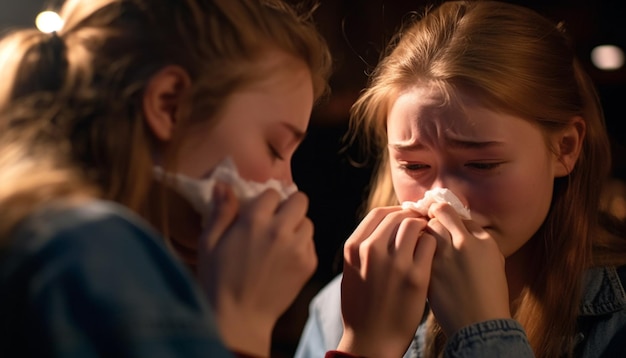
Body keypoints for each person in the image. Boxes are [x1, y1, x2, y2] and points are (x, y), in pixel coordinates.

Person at [0, 0, 334, 356]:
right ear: (169, 105)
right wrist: (244, 319)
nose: (288, 188)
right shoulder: (85, 249)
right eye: (275, 148)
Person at [296, 1, 626, 357]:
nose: (443, 200)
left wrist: (484, 335)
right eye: (414, 166)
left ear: (565, 148)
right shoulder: (341, 311)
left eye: (482, 164)